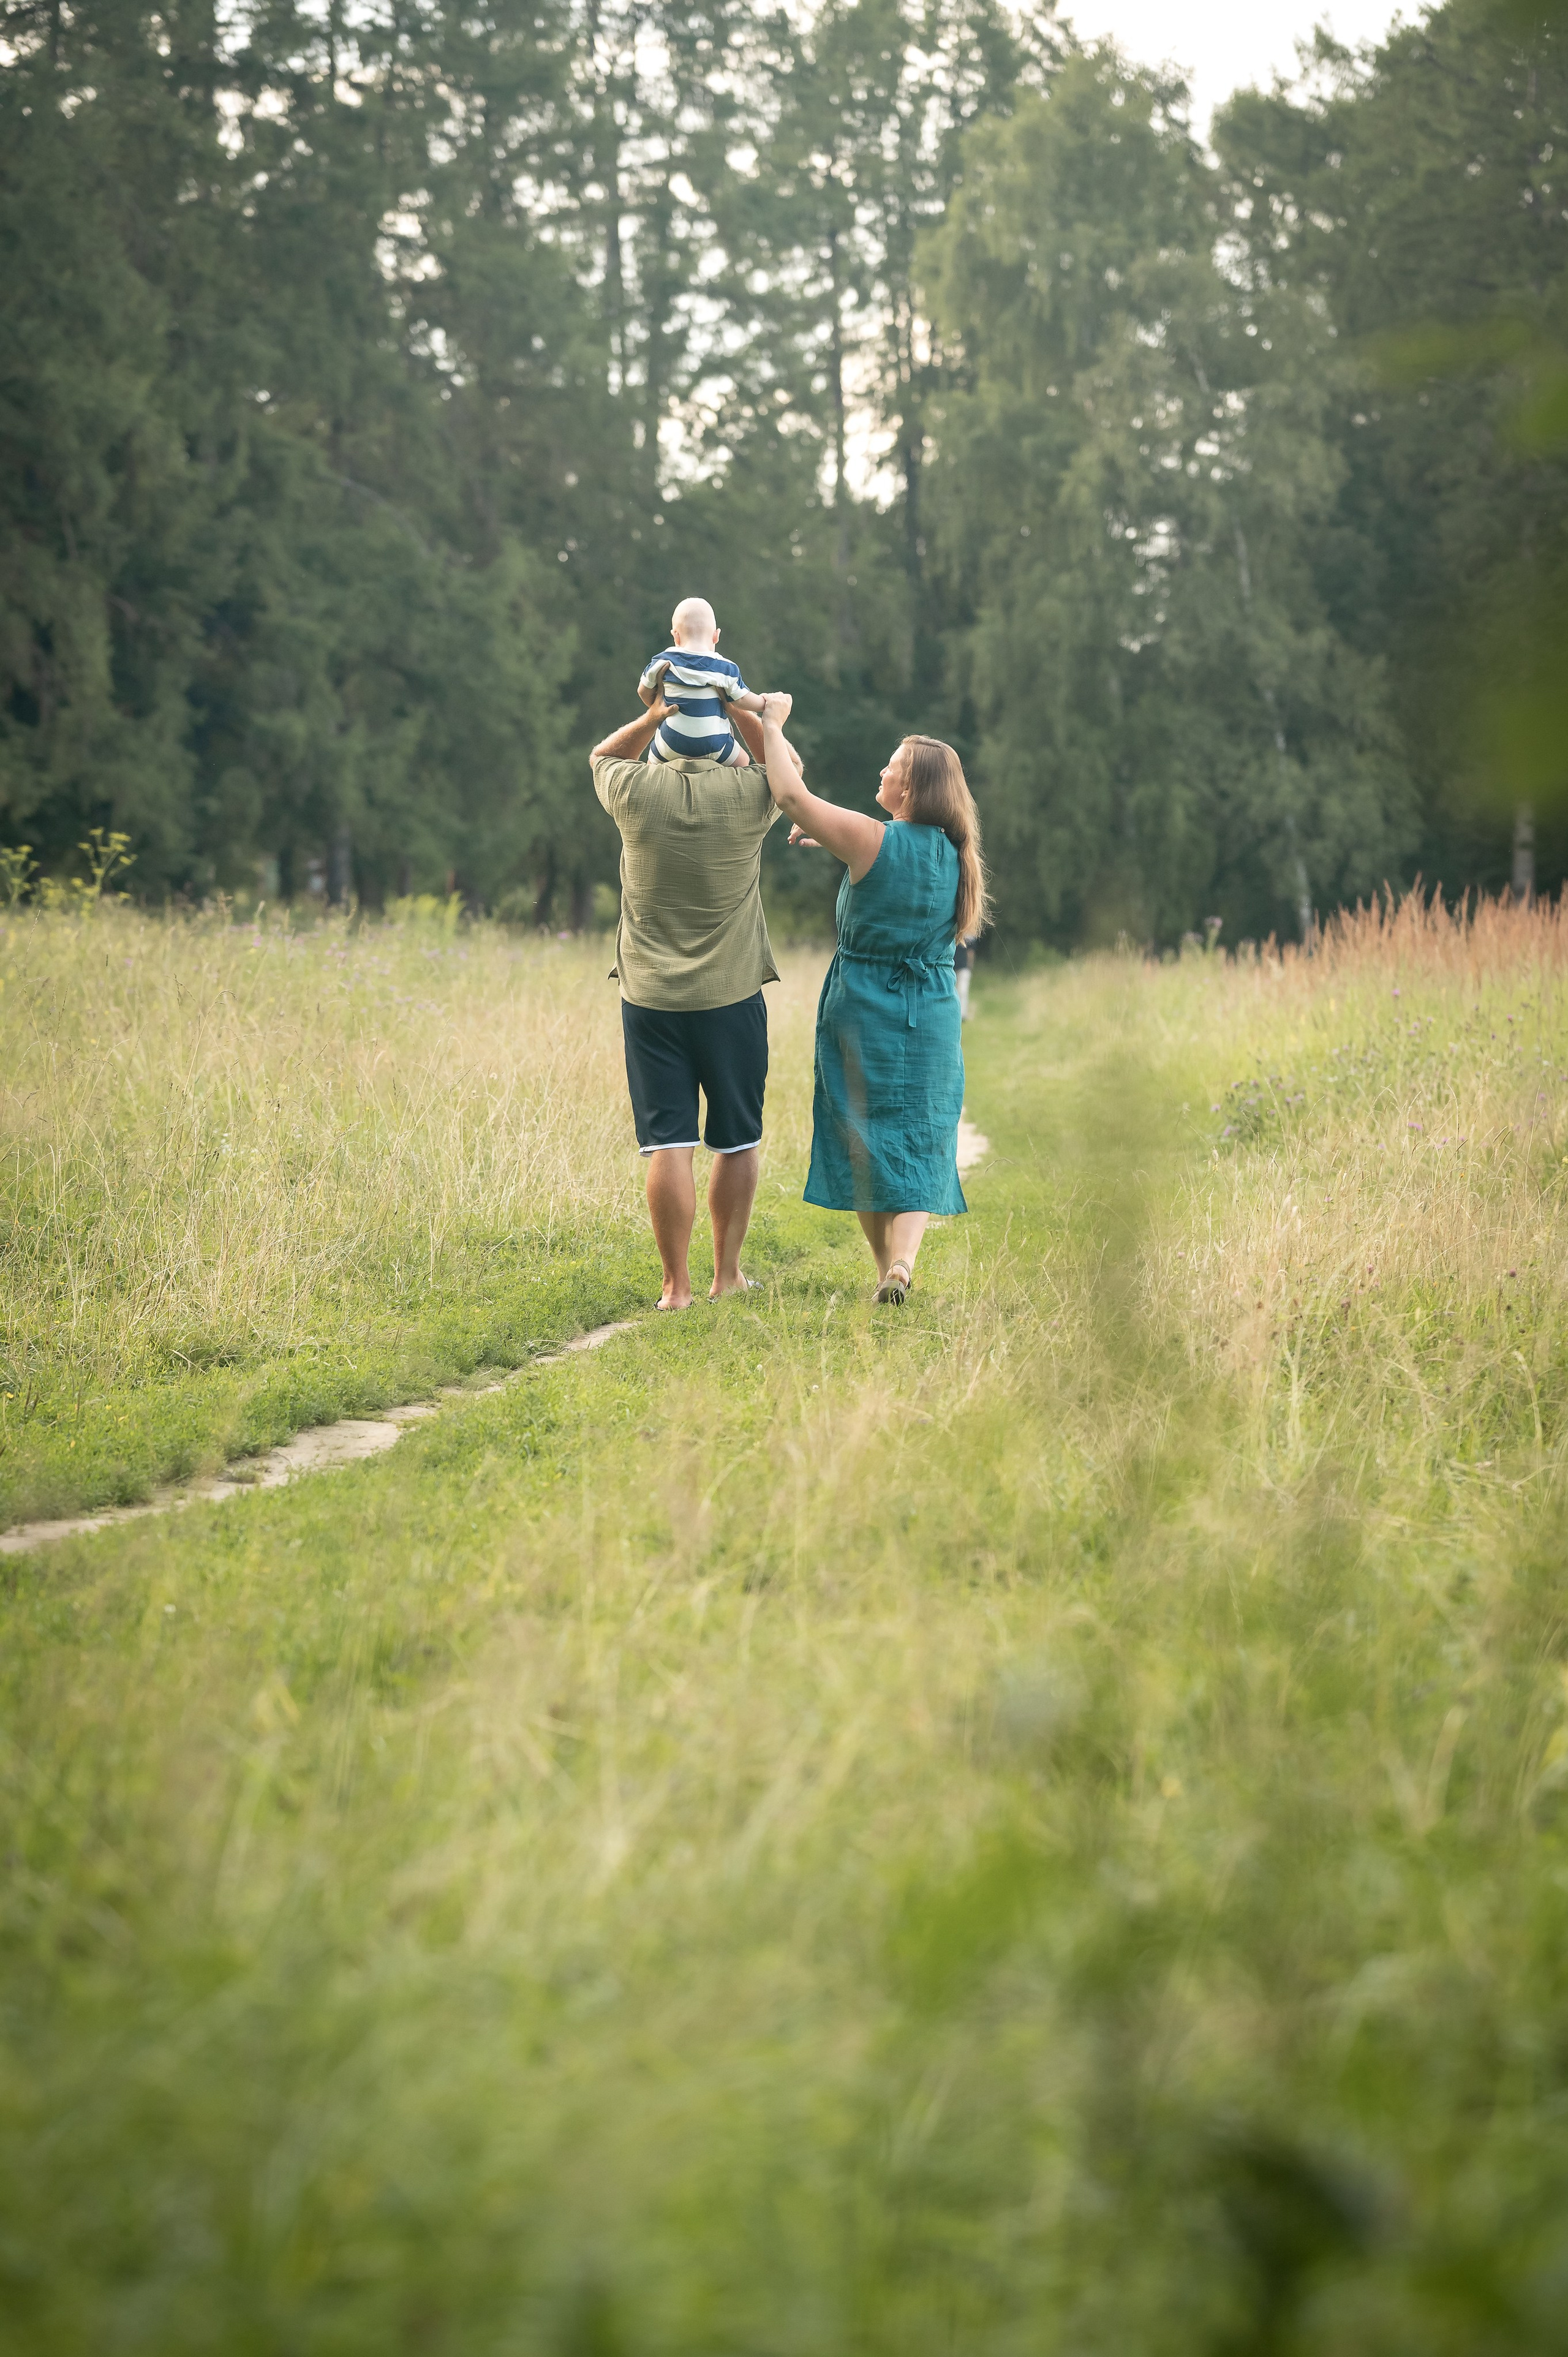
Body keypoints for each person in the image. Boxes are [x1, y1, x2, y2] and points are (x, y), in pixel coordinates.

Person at [758, 698, 990, 1305]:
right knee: (923, 1135)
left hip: (861, 1005)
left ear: (910, 784)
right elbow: (889, 859)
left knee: (860, 1137)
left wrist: (772, 724)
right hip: (932, 1008)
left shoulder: (868, 837)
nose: (881, 773)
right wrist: (836, 840)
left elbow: (788, 794)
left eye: (891, 766)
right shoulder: (955, 851)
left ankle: (883, 1264)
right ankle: (904, 1263)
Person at [590, 694, 805, 1310]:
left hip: (650, 998)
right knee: (736, 1140)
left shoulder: (635, 793)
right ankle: (726, 1275)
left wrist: (654, 716)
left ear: (662, 748)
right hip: (730, 996)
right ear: (721, 747)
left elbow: (602, 754)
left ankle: (675, 1287)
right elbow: (788, 777)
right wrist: (753, 712)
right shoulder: (746, 795)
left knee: (667, 1141)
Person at [638, 596, 771, 769]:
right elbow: (743, 700)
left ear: (676, 636)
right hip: (714, 745)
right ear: (716, 636)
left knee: (651, 765)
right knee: (744, 761)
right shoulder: (724, 667)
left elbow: (643, 691)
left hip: (670, 744)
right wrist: (767, 703)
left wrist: (657, 707)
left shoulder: (662, 661)